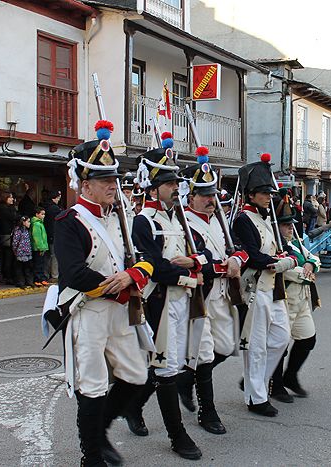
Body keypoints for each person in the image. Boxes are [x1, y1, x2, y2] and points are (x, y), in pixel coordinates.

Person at [54, 121, 154, 466]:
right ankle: (92, 455)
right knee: (92, 387)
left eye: (115, 180)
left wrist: (133, 275)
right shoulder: (69, 221)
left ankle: (102, 431)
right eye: (105, 181)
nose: (114, 186)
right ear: (85, 185)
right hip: (90, 313)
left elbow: (142, 262)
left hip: (120, 311)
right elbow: (74, 274)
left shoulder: (120, 217)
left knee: (137, 376)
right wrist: (123, 285)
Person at [128, 137, 204, 459]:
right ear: (153, 187)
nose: (176, 187)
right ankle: (178, 435)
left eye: (175, 181)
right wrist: (188, 274)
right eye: (168, 182)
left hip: (184, 300)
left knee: (170, 363)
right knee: (167, 367)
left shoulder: (179, 218)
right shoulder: (143, 221)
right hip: (160, 301)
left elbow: (198, 254)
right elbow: (156, 267)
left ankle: (132, 406)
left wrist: (195, 263)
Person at [177, 155, 247, 434]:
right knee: (205, 354)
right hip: (199, 296)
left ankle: (186, 378)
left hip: (222, 295)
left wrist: (237, 260)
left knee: (227, 345)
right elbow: (199, 259)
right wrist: (224, 264)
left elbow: (238, 249)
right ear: (191, 196)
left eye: (213, 193)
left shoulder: (218, 221)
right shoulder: (185, 223)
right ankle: (208, 412)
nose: (210, 199)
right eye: (204, 194)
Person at [232, 153, 295, 417]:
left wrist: (286, 259)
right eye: (263, 193)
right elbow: (254, 256)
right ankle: (256, 397)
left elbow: (276, 250)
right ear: (250, 195)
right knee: (256, 346)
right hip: (255, 288)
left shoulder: (265, 219)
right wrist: (281, 263)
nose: (269, 197)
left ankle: (254, 381)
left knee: (281, 337)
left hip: (273, 287)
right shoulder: (243, 220)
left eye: (268, 192)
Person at [270, 195, 319, 402]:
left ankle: (290, 376)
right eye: (286, 225)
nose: (291, 228)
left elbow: (314, 258)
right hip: (284, 299)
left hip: (302, 301)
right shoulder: (275, 247)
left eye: (291, 225)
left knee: (308, 339)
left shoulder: (295, 245)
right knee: (279, 345)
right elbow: (287, 272)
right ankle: (276, 385)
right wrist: (305, 273)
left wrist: (310, 265)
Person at [0, 192, 18, 285]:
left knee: (9, 256)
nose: (12, 199)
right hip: (6, 235)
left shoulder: (8, 208)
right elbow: (13, 217)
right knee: (8, 256)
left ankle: (8, 275)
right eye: (10, 198)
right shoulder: (3, 209)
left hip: (9, 234)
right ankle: (7, 276)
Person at [43, 190, 62, 282]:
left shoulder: (46, 207)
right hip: (53, 234)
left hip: (46, 234)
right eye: (58, 198)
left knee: (47, 256)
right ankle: (55, 275)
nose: (59, 199)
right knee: (54, 255)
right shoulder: (54, 209)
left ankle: (46, 274)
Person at [11, 216, 35, 288]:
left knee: (27, 268)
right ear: (23, 222)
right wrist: (16, 251)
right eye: (28, 221)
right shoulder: (18, 230)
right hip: (20, 252)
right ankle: (20, 282)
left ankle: (28, 281)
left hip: (27, 252)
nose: (29, 223)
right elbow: (15, 242)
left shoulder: (27, 230)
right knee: (19, 268)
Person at [30, 206, 49, 286]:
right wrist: (41, 247)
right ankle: (38, 279)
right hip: (38, 248)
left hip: (41, 247)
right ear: (37, 214)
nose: (43, 216)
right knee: (38, 264)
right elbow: (37, 237)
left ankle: (41, 278)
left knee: (41, 263)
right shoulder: (37, 224)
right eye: (42, 214)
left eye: (44, 214)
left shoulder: (39, 223)